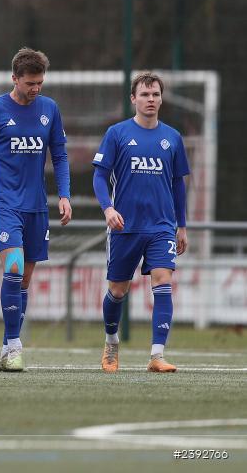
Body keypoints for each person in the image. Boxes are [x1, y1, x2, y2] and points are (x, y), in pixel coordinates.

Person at [0, 47, 72, 372]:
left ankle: (8, 344)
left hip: (36, 206)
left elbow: (61, 156)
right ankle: (14, 346)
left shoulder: (49, 109)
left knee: (23, 279)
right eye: (29, 83)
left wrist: (64, 194)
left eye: (40, 82)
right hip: (3, 203)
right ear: (15, 79)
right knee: (12, 266)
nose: (35, 88)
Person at [92, 72, 188, 373]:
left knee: (163, 281)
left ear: (161, 99)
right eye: (145, 94)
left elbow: (177, 184)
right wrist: (108, 209)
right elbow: (99, 176)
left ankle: (157, 355)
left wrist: (181, 225)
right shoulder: (117, 134)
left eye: (155, 94)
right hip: (125, 227)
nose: (151, 99)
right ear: (133, 98)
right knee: (118, 290)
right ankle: (111, 342)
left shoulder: (172, 137)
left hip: (161, 227)